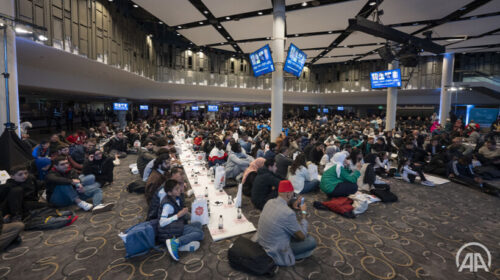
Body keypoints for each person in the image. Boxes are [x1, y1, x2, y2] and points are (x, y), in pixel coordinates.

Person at [257, 180, 316, 266]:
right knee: (311, 241)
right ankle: (292, 255)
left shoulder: (269, 202)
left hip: (262, 242)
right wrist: (303, 214)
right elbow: (302, 237)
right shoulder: (288, 213)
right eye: (293, 194)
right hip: (276, 249)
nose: (293, 195)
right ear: (288, 194)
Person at [46, 156, 114, 213]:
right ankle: (80, 203)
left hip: (72, 196)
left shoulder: (71, 170)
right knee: (64, 184)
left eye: (67, 163)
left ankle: (97, 206)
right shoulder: (51, 174)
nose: (66, 165)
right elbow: (56, 179)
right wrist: (71, 181)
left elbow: (77, 180)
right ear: (55, 166)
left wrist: (79, 186)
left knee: (97, 190)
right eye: (62, 164)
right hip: (58, 200)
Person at [161, 179, 204, 261]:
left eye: (179, 188)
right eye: (176, 189)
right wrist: (178, 215)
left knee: (198, 224)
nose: (179, 190)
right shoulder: (167, 205)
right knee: (200, 233)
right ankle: (176, 242)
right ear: (170, 193)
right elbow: (162, 223)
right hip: (169, 230)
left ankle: (182, 244)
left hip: (176, 225)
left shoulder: (175, 198)